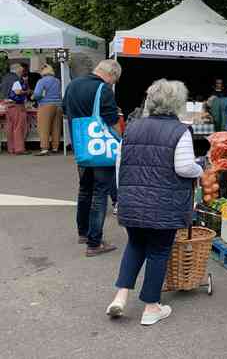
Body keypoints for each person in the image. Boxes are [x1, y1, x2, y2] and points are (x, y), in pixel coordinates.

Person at [106, 79, 204, 326]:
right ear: (177, 104)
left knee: (135, 245)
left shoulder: (132, 127)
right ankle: (151, 307)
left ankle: (120, 296)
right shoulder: (180, 130)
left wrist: (121, 197)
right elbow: (183, 167)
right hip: (164, 204)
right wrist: (200, 168)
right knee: (158, 252)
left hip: (132, 200)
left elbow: (120, 165)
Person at [63, 59, 122, 256]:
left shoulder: (72, 86)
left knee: (84, 189)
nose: (112, 84)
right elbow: (112, 121)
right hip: (100, 148)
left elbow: (65, 112)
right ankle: (94, 243)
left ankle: (83, 232)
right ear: (111, 75)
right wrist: (121, 141)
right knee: (100, 193)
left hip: (82, 147)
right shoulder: (103, 90)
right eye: (115, 80)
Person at [32, 64, 63, 155]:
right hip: (58, 105)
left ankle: (45, 148)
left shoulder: (42, 81)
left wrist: (34, 97)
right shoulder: (57, 81)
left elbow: (37, 94)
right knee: (56, 127)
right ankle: (55, 147)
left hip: (45, 105)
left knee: (44, 127)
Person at [4, 63, 30, 155]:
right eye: (21, 70)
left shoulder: (5, 78)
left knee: (10, 128)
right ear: (17, 70)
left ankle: (11, 148)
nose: (22, 71)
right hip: (17, 105)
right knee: (19, 127)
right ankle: (19, 149)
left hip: (7, 105)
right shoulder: (16, 79)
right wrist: (27, 91)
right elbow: (17, 92)